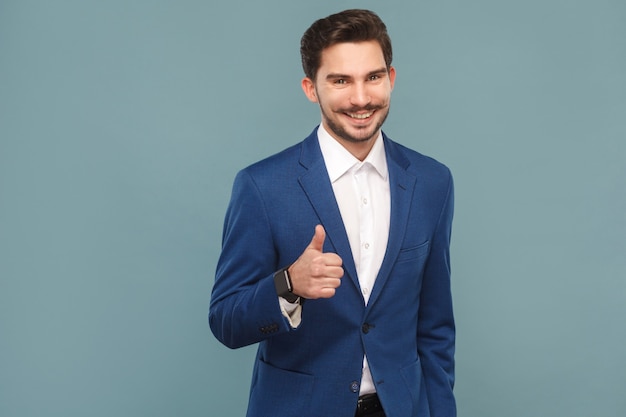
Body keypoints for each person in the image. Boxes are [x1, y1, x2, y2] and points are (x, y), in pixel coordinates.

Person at [209, 9, 455, 417]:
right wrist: (289, 285)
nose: (361, 98)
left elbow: (435, 329)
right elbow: (226, 321)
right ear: (311, 88)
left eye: (373, 77)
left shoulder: (432, 182)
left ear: (391, 79)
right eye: (341, 81)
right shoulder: (262, 186)